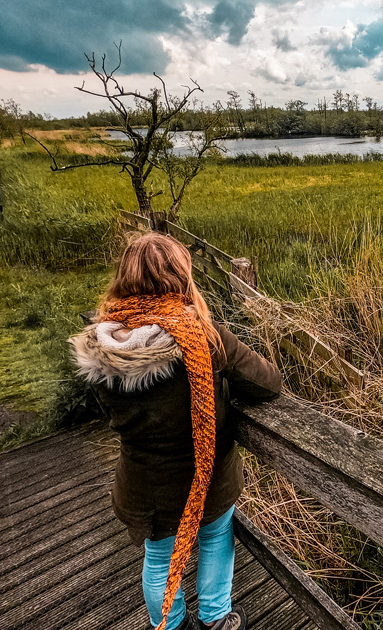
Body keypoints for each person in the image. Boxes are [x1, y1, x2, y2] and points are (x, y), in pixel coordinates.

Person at [70, 231, 282, 630]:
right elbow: (268, 383)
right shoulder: (203, 337)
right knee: (216, 539)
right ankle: (216, 618)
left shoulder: (101, 346)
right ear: (181, 277)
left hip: (145, 485)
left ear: (124, 277)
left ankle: (169, 626)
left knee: (158, 559)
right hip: (209, 478)